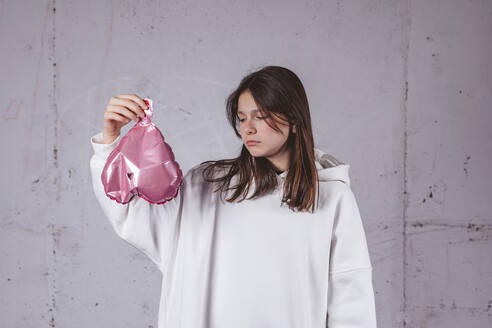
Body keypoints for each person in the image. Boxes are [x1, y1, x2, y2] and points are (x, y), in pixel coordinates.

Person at [89, 65, 377, 327]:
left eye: (261, 116)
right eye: (242, 118)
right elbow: (134, 213)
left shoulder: (331, 197)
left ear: (294, 120)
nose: (248, 128)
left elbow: (351, 302)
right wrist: (110, 141)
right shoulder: (209, 187)